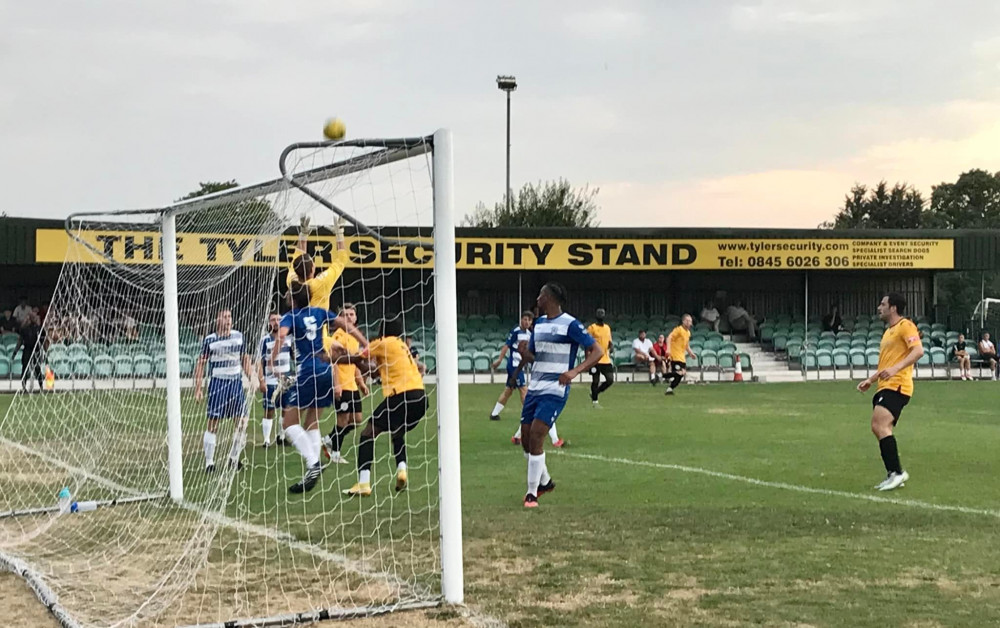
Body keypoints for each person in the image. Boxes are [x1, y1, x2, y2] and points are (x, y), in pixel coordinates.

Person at [515, 282, 602, 508]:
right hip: (535, 387)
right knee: (526, 440)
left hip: (555, 389)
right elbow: (535, 356)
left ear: (550, 298)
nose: (537, 299)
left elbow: (598, 352)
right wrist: (525, 353)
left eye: (541, 295)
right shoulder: (539, 324)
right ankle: (545, 481)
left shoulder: (570, 324)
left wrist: (574, 371)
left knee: (536, 435)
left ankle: (531, 494)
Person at [272, 282, 366, 493]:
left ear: (293, 300)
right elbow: (346, 325)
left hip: (307, 370)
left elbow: (280, 335)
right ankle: (311, 471)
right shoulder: (320, 312)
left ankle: (313, 463)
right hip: (326, 369)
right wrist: (365, 342)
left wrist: (272, 359)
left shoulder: (291, 316)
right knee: (312, 420)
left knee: (288, 423)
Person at [338, 316, 427, 497]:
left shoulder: (383, 343)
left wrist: (336, 356)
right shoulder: (401, 346)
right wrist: (357, 363)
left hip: (401, 395)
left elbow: (357, 357)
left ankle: (363, 483)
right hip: (421, 398)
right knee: (398, 432)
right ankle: (402, 470)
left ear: (382, 331)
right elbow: (371, 371)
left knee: (367, 433)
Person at [856, 293, 923, 492]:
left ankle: (897, 472)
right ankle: (894, 473)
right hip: (885, 385)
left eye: (883, 304)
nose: (879, 307)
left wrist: (895, 369)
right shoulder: (889, 332)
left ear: (893, 308)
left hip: (898, 385)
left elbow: (918, 351)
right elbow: (887, 364)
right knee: (879, 427)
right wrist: (871, 379)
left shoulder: (905, 326)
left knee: (879, 424)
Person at [193, 309, 253, 473]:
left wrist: (251, 378)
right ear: (217, 319)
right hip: (217, 384)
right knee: (213, 424)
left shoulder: (239, 336)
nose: (228, 320)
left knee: (241, 423)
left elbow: (244, 359)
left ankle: (233, 459)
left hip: (235, 383)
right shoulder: (210, 340)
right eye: (225, 317)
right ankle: (209, 463)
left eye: (230, 317)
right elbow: (201, 363)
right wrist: (198, 388)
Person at [323, 303, 370, 464]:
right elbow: (333, 362)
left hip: (352, 385)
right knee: (342, 420)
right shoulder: (338, 335)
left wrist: (361, 383)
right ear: (341, 318)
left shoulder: (355, 337)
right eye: (346, 315)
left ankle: (329, 438)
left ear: (356, 317)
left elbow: (355, 362)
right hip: (341, 384)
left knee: (357, 420)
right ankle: (335, 454)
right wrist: (336, 384)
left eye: (352, 314)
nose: (349, 317)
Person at [257, 312, 293, 447]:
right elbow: (259, 362)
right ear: (269, 323)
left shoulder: (289, 338)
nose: (276, 322)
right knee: (269, 410)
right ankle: (266, 440)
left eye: (279, 319)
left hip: (286, 379)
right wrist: (262, 380)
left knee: (286, 407)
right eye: (273, 320)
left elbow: (294, 356)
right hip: (271, 380)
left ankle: (281, 436)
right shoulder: (265, 340)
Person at [489, 311, 533, 421]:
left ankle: (494, 414)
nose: (527, 322)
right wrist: (500, 359)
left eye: (529, 320)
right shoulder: (516, 331)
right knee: (523, 389)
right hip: (514, 365)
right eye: (525, 319)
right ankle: (528, 416)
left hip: (520, 365)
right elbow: (506, 346)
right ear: (521, 320)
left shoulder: (529, 334)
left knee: (508, 390)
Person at [586, 308, 615, 406]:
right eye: (599, 313)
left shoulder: (607, 328)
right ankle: (595, 401)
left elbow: (609, 341)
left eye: (602, 313)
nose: (601, 315)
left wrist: (611, 347)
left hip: (605, 359)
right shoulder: (591, 328)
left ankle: (596, 392)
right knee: (595, 380)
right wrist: (588, 359)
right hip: (595, 359)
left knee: (610, 379)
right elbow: (587, 343)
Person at [12, 311, 45, 393]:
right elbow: (20, 340)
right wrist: (15, 352)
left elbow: (43, 339)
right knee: (25, 369)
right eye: (32, 317)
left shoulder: (39, 328)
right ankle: (24, 387)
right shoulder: (24, 329)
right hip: (27, 350)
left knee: (37, 369)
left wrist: (44, 351)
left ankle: (41, 387)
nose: (33, 319)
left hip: (36, 350)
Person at [664, 315, 697, 395]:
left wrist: (691, 353)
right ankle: (661, 377)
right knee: (680, 372)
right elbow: (669, 338)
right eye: (688, 321)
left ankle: (669, 389)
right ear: (684, 321)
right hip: (675, 356)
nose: (690, 323)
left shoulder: (688, 333)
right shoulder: (678, 330)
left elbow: (686, 345)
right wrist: (668, 349)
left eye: (690, 321)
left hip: (682, 357)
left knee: (680, 375)